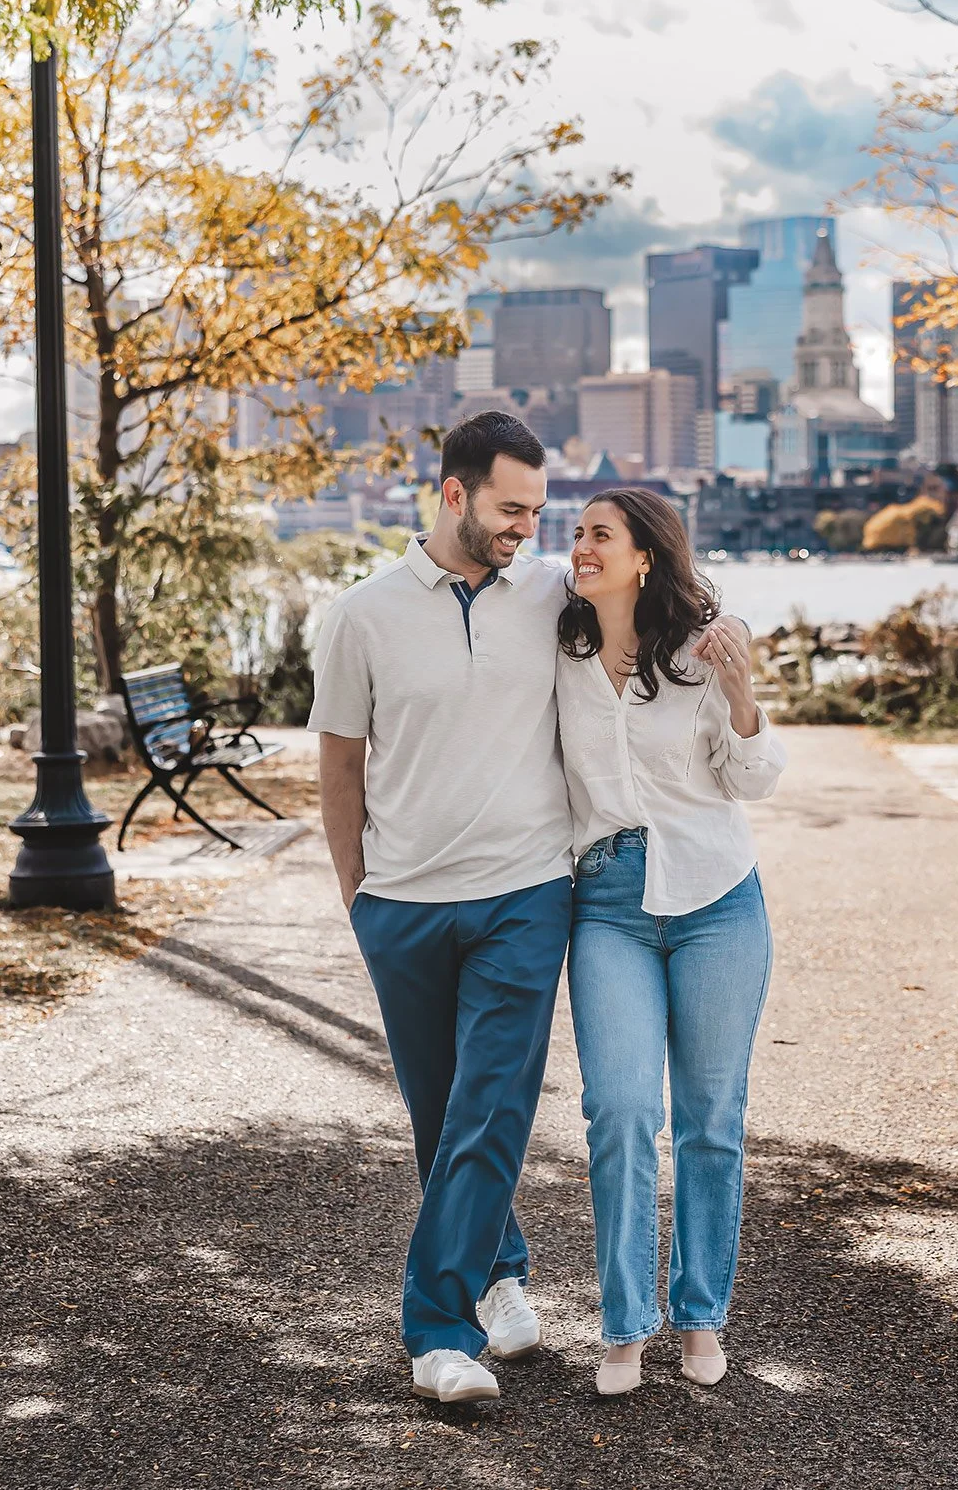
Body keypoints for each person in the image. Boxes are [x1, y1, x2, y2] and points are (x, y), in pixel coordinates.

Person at [310, 410, 575, 1406]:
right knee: (442, 1111)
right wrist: (359, 896)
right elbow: (340, 764)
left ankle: (436, 1331)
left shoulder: (551, 593)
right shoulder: (362, 614)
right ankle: (498, 1269)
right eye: (510, 509)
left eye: (537, 511)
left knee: (491, 1104)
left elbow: (652, 603)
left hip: (525, 890)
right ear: (454, 494)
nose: (526, 529)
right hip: (404, 903)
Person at [555, 488, 784, 1396]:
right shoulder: (560, 651)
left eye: (598, 534)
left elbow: (752, 781)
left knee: (709, 1119)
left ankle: (700, 1314)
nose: (580, 546)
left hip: (717, 899)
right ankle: (625, 1324)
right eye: (576, 533)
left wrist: (742, 694)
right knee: (617, 1109)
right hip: (607, 902)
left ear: (645, 555)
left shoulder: (703, 651)